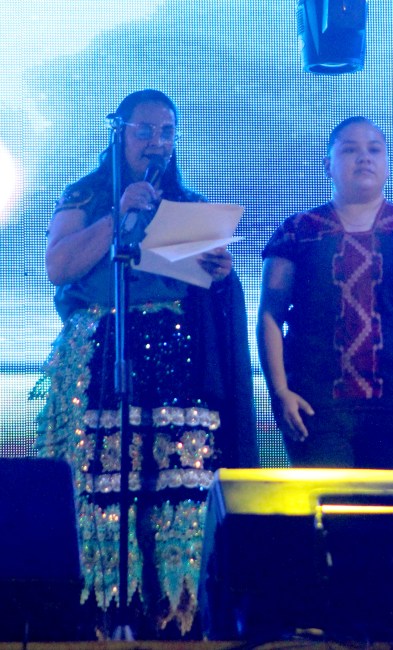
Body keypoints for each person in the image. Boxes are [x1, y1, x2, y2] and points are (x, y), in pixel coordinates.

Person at [34, 89, 256, 637]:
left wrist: (221, 272)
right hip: (101, 357)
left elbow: (208, 290)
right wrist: (118, 215)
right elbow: (59, 266)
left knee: (176, 485)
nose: (157, 143)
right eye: (145, 131)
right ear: (120, 135)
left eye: (167, 132)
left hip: (176, 367)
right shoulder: (87, 194)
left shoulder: (186, 204)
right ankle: (105, 615)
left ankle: (174, 617)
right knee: (104, 485)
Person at [258, 116, 393, 469]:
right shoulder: (297, 231)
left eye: (374, 150)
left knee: (389, 505)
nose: (364, 157)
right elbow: (270, 316)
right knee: (326, 504)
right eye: (350, 150)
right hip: (314, 408)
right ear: (328, 166)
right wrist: (280, 392)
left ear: (387, 163)